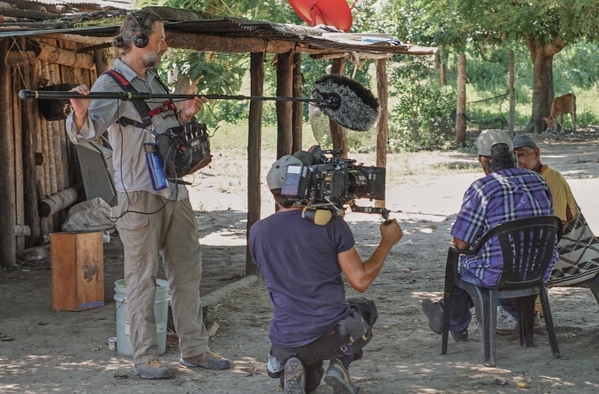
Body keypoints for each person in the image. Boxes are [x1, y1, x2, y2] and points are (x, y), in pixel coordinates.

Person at [65, 10, 230, 379]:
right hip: (138, 194)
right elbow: (85, 132)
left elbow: (162, 126)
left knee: (187, 270)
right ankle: (145, 357)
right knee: (142, 276)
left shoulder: (152, 79)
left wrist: (184, 114)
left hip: (173, 188)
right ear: (139, 41)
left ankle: (195, 350)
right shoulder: (110, 84)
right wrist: (78, 112)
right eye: (160, 38)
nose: (164, 44)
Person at [249, 153, 403, 394]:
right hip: (331, 337)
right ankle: (339, 366)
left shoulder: (257, 231)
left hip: (285, 339)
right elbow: (360, 281)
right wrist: (387, 243)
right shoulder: (331, 226)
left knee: (309, 385)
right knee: (365, 307)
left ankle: (291, 363)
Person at [421, 129, 558, 341]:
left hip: (498, 274)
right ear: (513, 155)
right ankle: (526, 315)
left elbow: (461, 243)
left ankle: (450, 319)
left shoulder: (482, 188)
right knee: (501, 263)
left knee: (460, 264)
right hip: (538, 269)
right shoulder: (538, 181)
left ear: (483, 161)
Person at [506, 134, 599, 327]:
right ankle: (525, 314)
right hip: (547, 245)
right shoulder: (526, 180)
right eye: (515, 156)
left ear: (537, 153)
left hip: (570, 249)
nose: (519, 161)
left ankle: (530, 314)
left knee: (520, 266)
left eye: (522, 155)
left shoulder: (552, 178)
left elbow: (553, 224)